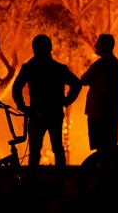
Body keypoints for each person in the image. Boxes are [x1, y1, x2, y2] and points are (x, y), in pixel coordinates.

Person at [11, 34, 82, 171]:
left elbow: (16, 87)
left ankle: (32, 182)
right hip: (54, 112)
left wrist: (22, 107)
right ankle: (60, 181)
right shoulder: (58, 68)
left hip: (36, 113)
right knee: (57, 148)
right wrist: (66, 101)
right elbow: (76, 84)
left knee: (35, 151)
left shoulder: (30, 67)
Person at [80, 33, 118, 152]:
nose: (95, 45)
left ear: (105, 46)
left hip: (98, 112)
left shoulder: (100, 64)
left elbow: (83, 80)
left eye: (98, 43)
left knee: (100, 148)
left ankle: (101, 170)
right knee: (110, 147)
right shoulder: (116, 64)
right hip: (113, 113)